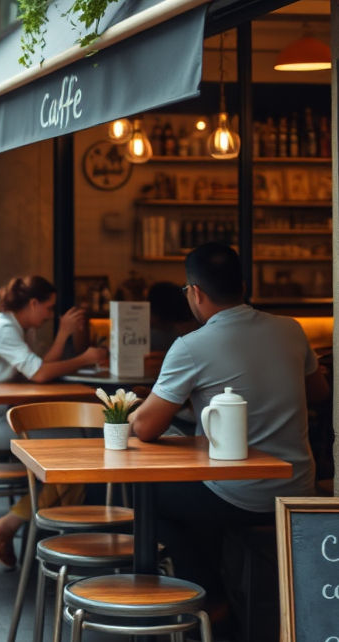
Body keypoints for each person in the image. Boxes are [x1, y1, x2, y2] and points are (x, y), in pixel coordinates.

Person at [131, 242, 329, 622]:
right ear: (241, 285)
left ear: (196, 293)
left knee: (147, 497)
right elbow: (318, 393)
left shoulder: (191, 346)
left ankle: (211, 598)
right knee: (198, 493)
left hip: (240, 495)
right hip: (298, 486)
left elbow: (145, 428)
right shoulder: (291, 329)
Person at [0, 275, 108, 568]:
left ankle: (39, 535)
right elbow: (39, 374)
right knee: (74, 453)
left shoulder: (17, 327)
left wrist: (63, 336)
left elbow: (37, 369)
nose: (51, 315)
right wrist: (85, 358)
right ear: (34, 303)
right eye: (49, 308)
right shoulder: (3, 328)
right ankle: (61, 544)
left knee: (74, 449)